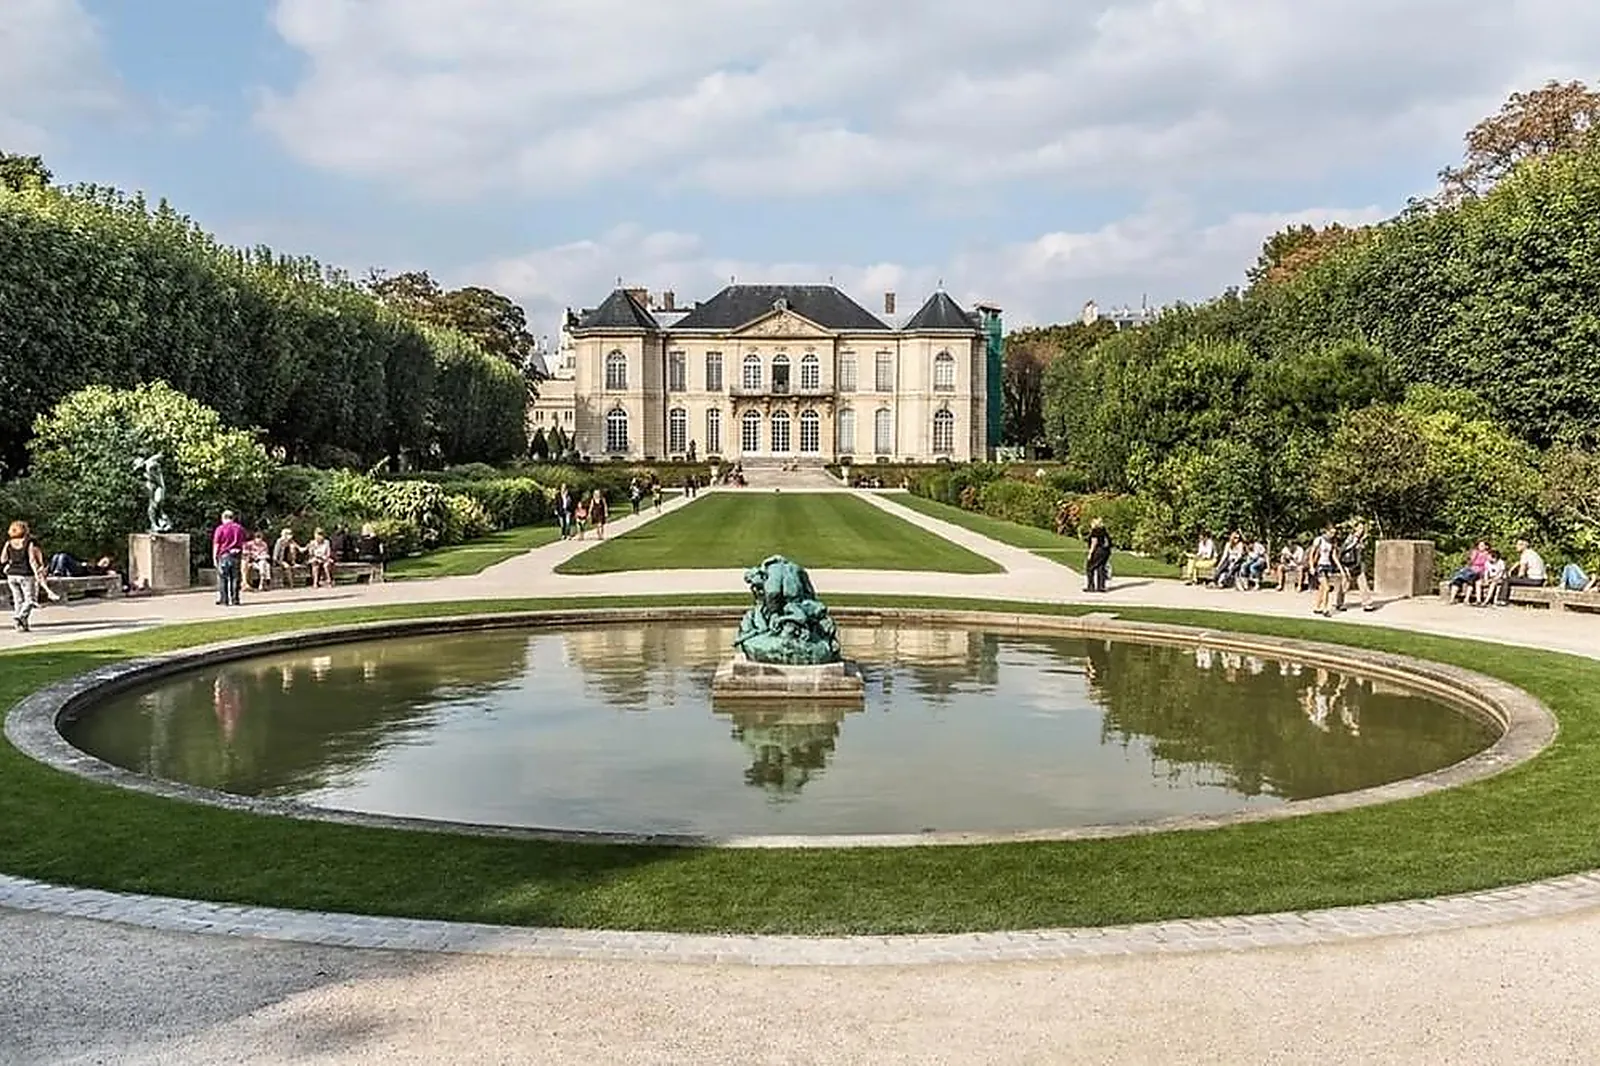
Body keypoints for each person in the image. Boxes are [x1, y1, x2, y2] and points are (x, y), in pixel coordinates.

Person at [3, 520, 45, 633]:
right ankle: (20, 616)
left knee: (18, 601)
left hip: (11, 575)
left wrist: (10, 562)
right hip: (25, 574)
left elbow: (3, 559)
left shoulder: (8, 543)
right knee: (30, 600)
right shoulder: (28, 542)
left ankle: (21, 625)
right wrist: (37, 574)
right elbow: (32, 560)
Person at [1336, 520, 1375, 612]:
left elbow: (1362, 553)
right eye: (1359, 528)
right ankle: (1339, 603)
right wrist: (1355, 542)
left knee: (1363, 584)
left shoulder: (1363, 540)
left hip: (1358, 564)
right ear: (1355, 528)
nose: (1361, 530)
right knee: (1345, 584)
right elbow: (1344, 549)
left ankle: (1367, 603)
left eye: (1363, 528)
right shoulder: (1351, 538)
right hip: (1348, 564)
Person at [211, 509, 247, 606]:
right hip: (237, 554)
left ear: (223, 518)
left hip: (224, 555)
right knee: (235, 578)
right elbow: (244, 543)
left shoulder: (220, 529)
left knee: (223, 578)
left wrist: (214, 557)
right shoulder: (240, 528)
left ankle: (224, 599)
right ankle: (235, 599)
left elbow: (217, 544)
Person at [1498, 538, 1547, 604]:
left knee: (1507, 580)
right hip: (1540, 579)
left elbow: (1521, 573)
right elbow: (1520, 563)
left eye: (1519, 545)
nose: (1516, 546)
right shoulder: (1532, 553)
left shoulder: (1525, 555)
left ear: (1525, 545)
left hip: (1534, 580)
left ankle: (1502, 600)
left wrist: (1513, 576)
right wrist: (1512, 569)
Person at [1309, 523, 1344, 617]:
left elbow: (1333, 556)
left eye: (1334, 533)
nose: (1333, 535)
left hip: (1327, 566)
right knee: (1327, 588)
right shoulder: (1319, 540)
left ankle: (1317, 607)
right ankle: (1325, 609)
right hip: (1319, 566)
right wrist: (1311, 566)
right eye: (1331, 532)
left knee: (1322, 588)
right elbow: (1312, 553)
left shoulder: (1332, 542)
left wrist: (1340, 568)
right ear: (1326, 531)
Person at [1083, 516, 1112, 593]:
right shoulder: (1104, 531)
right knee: (1101, 568)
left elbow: (1094, 543)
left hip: (1098, 551)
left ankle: (1091, 586)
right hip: (1106, 551)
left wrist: (1090, 553)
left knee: (1089, 567)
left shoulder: (1095, 531)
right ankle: (1101, 586)